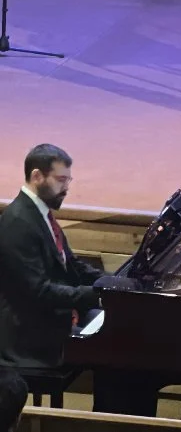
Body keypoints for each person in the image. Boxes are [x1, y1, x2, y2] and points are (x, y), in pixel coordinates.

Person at [0, 144, 102, 370]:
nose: (66, 188)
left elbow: (71, 265)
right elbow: (39, 291)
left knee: (116, 342)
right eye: (60, 180)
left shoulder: (39, 213)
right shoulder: (18, 222)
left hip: (48, 323)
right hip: (29, 341)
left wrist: (110, 282)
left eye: (68, 181)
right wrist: (94, 295)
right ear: (37, 176)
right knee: (114, 354)